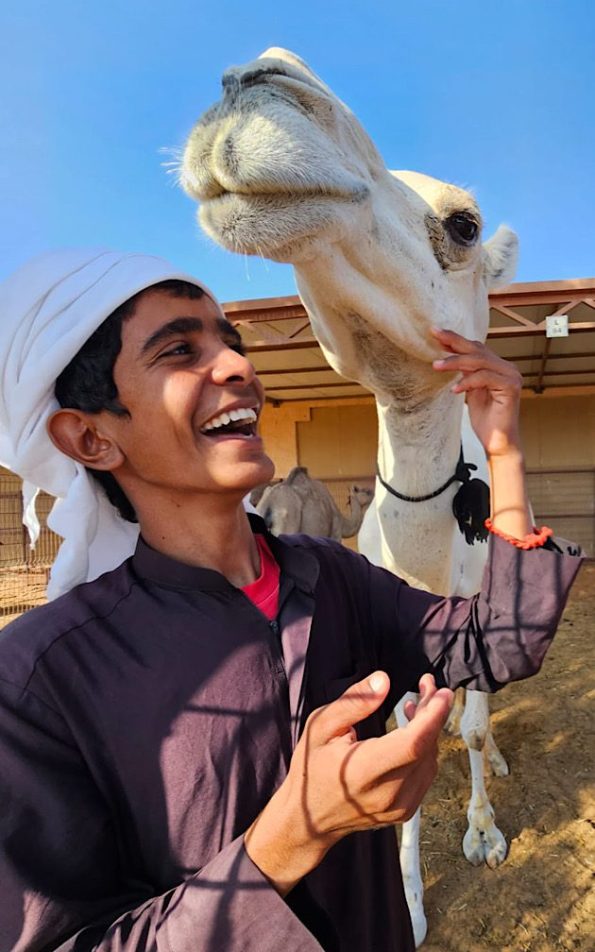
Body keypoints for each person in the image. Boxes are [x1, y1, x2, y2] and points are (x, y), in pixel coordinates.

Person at [0, 249, 582, 952]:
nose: (238, 367)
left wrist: (503, 455)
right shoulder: (40, 679)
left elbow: (500, 642)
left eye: (232, 343)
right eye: (181, 350)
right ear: (91, 437)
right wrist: (294, 833)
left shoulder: (333, 575)